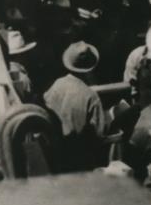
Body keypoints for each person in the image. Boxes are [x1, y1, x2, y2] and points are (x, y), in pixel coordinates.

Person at [43, 42, 107, 172]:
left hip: (53, 152)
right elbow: (100, 133)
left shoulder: (57, 84)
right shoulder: (90, 95)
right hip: (79, 158)